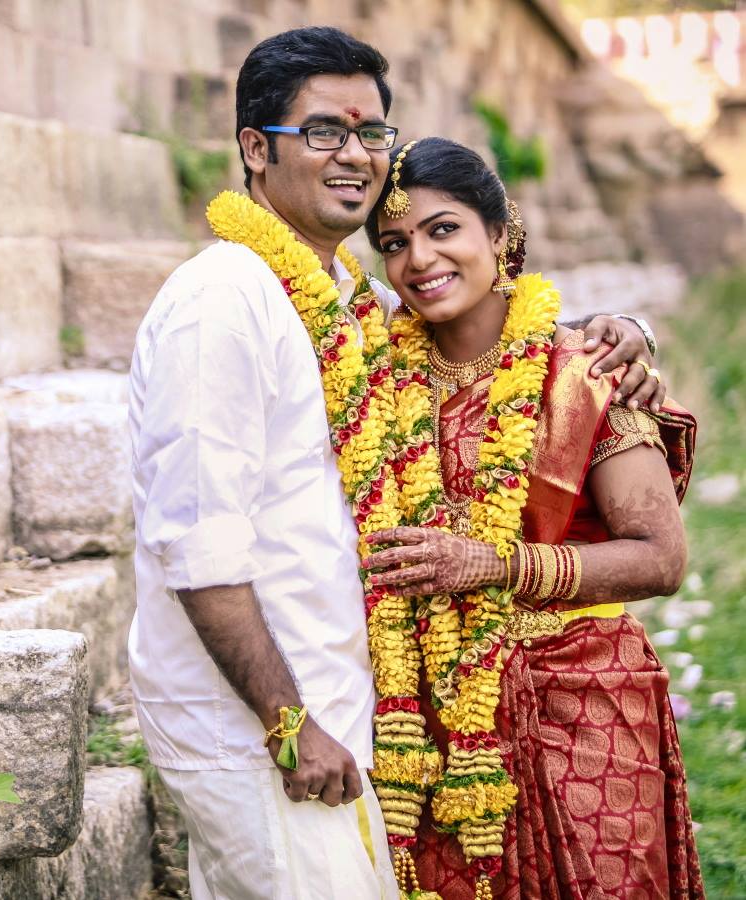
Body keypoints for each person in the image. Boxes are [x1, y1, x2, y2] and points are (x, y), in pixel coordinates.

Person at [126, 26, 664, 900]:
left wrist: (628, 333)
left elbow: (483, 310)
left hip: (347, 706)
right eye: (325, 131)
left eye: (371, 131)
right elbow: (194, 544)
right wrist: (286, 726)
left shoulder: (354, 302)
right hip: (261, 725)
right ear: (256, 151)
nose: (356, 154)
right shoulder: (221, 303)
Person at [360, 137, 702, 900]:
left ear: (499, 233)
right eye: (394, 243)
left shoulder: (585, 373)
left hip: (586, 698)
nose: (418, 259)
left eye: (442, 229)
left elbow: (660, 558)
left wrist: (498, 566)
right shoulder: (378, 376)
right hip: (437, 709)